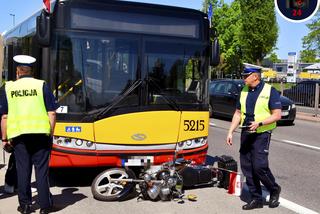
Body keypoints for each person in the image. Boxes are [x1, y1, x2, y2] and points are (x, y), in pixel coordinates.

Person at [0, 55, 59, 214]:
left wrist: (4, 138)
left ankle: (25, 205)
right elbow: (52, 113)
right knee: (41, 171)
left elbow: (4, 116)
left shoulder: (8, 87)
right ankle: (45, 206)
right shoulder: (42, 85)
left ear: (18, 71)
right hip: (41, 135)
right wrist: (50, 132)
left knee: (23, 170)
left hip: (19, 136)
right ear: (31, 71)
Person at [226, 67, 282, 210]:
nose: (243, 77)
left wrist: (260, 123)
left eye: (246, 75)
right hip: (246, 132)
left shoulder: (270, 91)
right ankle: (256, 198)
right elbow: (238, 113)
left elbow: (277, 115)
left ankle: (274, 189)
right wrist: (230, 131)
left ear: (255, 76)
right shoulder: (243, 90)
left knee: (259, 166)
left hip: (262, 133)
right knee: (247, 167)